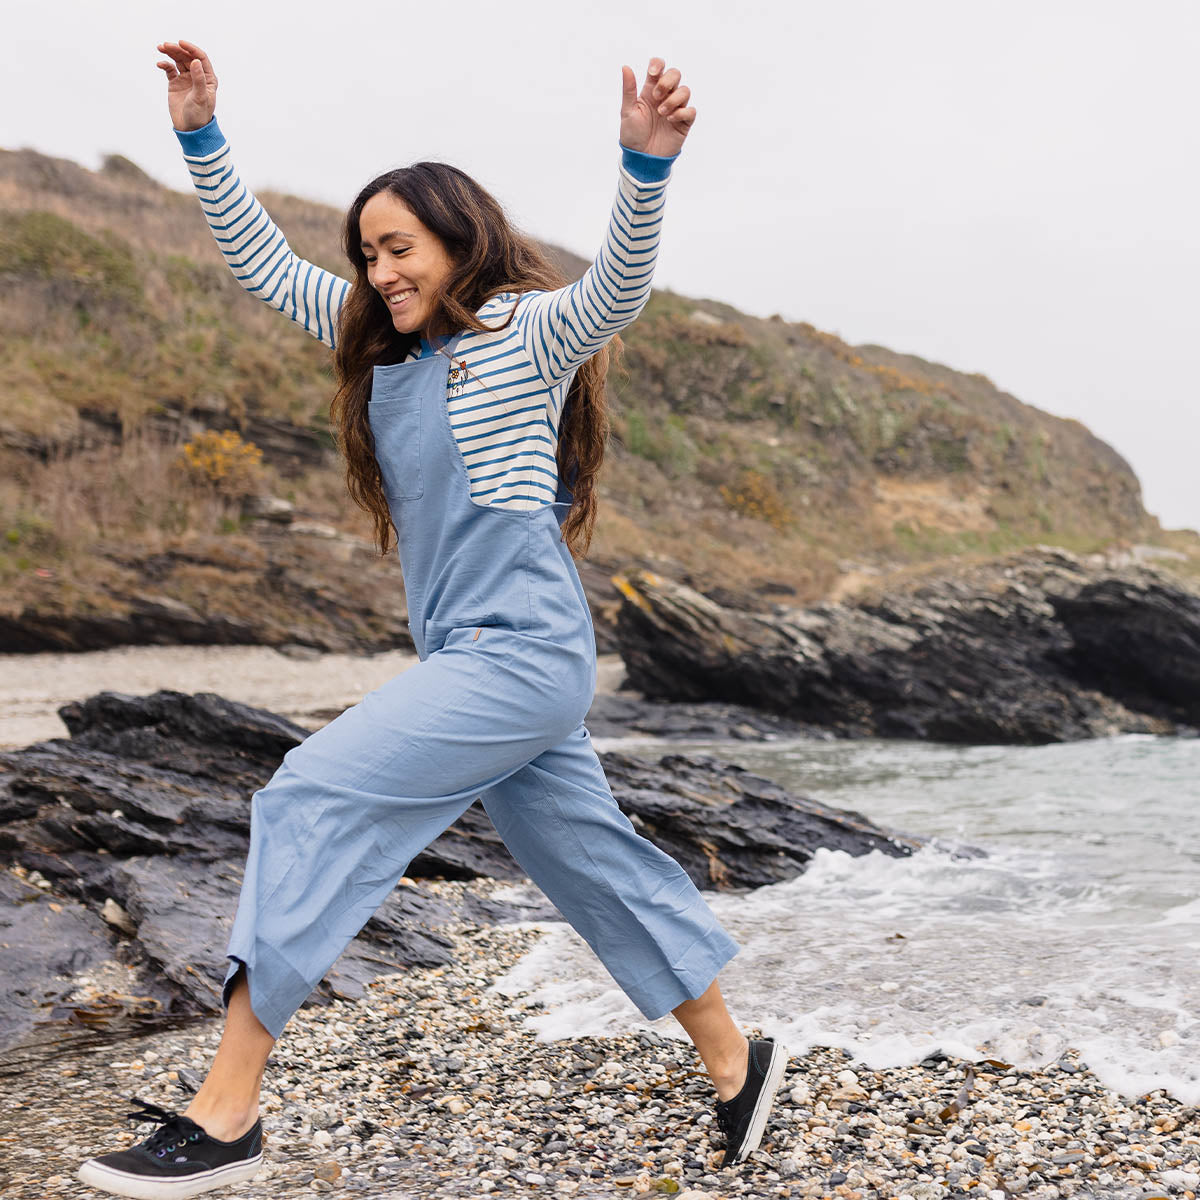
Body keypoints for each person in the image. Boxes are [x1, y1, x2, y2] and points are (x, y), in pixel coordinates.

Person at [77, 39, 789, 1199]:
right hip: (477, 662)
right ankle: (734, 1060)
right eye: (367, 255)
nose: (381, 271)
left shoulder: (527, 334)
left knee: (307, 791)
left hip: (524, 656)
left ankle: (227, 1115)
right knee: (588, 858)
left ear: (460, 241)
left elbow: (619, 287)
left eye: (399, 247)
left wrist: (643, 166)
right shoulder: (379, 355)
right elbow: (261, 262)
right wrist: (201, 134)